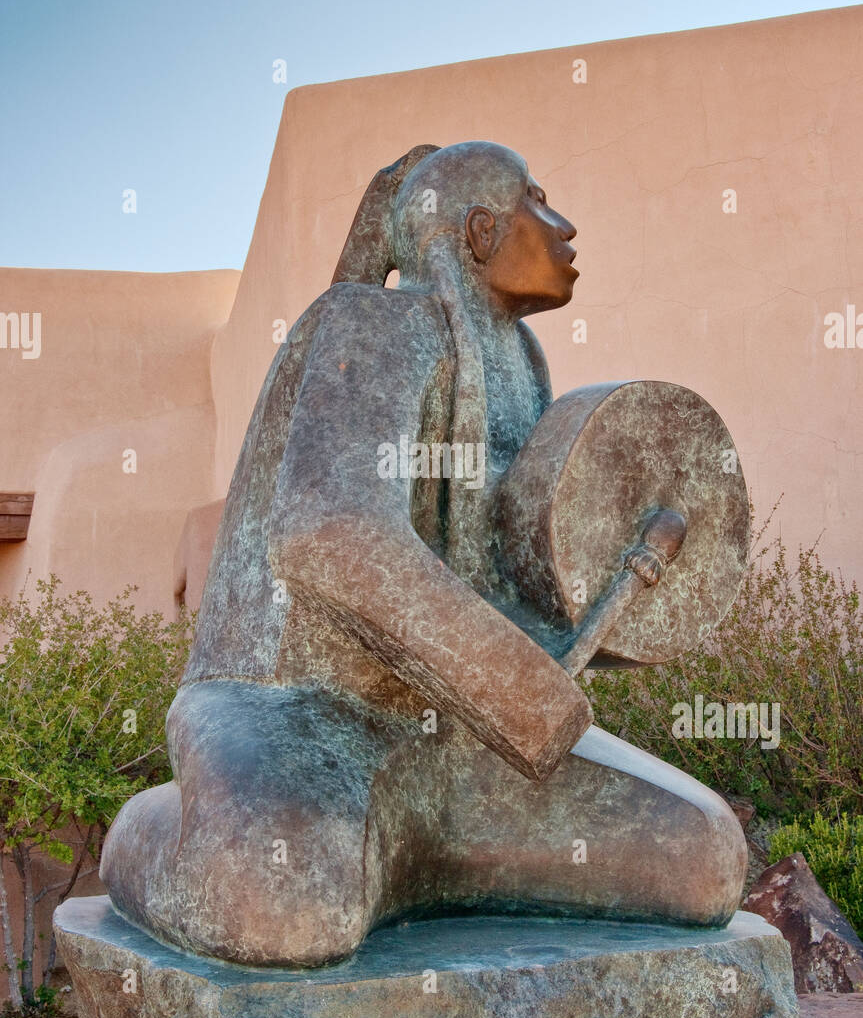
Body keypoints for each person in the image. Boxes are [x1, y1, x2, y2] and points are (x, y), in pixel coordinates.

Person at [101, 142, 746, 967]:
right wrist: (519, 690)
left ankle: (400, 857)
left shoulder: (520, 367)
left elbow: (519, 584)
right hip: (296, 710)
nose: (564, 226)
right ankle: (179, 829)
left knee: (701, 860)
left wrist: (599, 591)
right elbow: (328, 534)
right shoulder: (371, 324)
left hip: (456, 737)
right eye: (537, 205)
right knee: (283, 898)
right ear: (480, 231)